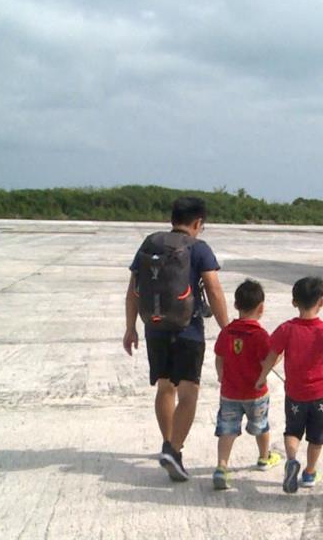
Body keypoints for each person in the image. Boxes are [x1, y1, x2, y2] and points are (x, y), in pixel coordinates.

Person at [123, 196, 228, 482]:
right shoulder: (199, 249)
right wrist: (227, 328)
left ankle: (170, 445)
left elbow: (134, 290)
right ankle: (174, 448)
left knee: (165, 387)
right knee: (189, 392)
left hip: (155, 328)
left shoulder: (150, 244)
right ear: (197, 223)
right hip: (188, 331)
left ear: (172, 219)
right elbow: (215, 291)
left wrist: (130, 327)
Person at [255, 277, 323, 494]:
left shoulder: (286, 329)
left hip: (295, 394)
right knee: (317, 437)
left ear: (294, 302)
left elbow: (272, 356)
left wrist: (262, 377)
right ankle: (309, 472)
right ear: (321, 302)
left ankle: (291, 460)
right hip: (320, 395)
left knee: (293, 431)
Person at [211, 279, 283, 490]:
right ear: (261, 308)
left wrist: (220, 374)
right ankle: (264, 457)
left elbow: (219, 356)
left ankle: (222, 467)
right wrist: (279, 357)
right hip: (255, 393)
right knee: (261, 426)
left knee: (227, 430)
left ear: (235, 305)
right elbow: (266, 362)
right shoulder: (260, 335)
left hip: (230, 392)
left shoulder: (227, 332)